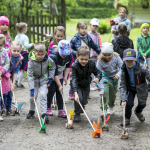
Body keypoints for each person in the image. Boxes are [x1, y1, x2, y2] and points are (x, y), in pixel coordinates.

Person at [70, 21, 101, 99]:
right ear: (78, 29)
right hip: (78, 59)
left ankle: (85, 92)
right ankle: (72, 91)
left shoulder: (88, 37)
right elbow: (70, 49)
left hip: (86, 59)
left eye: (85, 28)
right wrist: (76, 53)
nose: (83, 30)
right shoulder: (75, 38)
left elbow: (94, 45)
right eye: (81, 28)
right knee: (75, 76)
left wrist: (100, 52)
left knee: (86, 75)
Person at [26, 42, 56, 123]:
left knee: (43, 95)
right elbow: (30, 76)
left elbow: (52, 67)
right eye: (38, 54)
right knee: (32, 97)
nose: (40, 56)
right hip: (34, 81)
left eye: (42, 54)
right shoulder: (31, 62)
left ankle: (44, 114)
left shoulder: (48, 59)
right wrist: (32, 88)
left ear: (45, 53)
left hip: (43, 80)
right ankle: (32, 110)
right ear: (34, 53)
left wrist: (50, 78)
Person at [71, 46, 102, 122]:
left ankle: (81, 106)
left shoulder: (91, 63)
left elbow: (98, 72)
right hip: (77, 85)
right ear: (77, 57)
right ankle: (77, 114)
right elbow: (74, 79)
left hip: (86, 85)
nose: (84, 61)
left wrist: (97, 78)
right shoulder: (74, 66)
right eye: (82, 59)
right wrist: (75, 92)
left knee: (84, 101)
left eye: (86, 59)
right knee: (79, 99)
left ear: (89, 57)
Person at [120, 49, 150, 126]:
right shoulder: (123, 69)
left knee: (143, 103)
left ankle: (138, 111)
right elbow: (122, 85)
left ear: (135, 59)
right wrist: (123, 99)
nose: (129, 63)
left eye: (131, 61)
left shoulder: (142, 68)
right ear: (124, 60)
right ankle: (127, 118)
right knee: (128, 104)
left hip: (141, 87)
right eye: (127, 61)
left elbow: (149, 76)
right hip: (130, 88)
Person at [47, 40, 72, 117]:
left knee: (60, 92)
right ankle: (47, 108)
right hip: (51, 75)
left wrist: (65, 77)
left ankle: (60, 110)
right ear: (58, 50)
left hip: (60, 74)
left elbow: (68, 66)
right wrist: (59, 85)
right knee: (51, 91)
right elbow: (54, 73)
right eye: (62, 53)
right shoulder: (53, 57)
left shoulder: (69, 55)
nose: (64, 55)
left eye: (66, 53)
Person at [97, 42, 123, 117]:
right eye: (105, 55)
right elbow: (98, 72)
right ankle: (104, 110)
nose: (107, 57)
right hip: (105, 76)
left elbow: (122, 67)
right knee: (104, 92)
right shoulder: (100, 60)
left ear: (112, 53)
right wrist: (98, 81)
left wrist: (118, 75)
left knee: (112, 94)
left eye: (109, 55)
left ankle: (111, 107)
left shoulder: (116, 57)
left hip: (114, 77)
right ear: (102, 54)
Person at [4, 41, 22, 115]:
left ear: (20, 50)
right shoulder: (7, 56)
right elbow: (6, 71)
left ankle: (8, 108)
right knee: (5, 92)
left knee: (10, 92)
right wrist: (10, 83)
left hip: (10, 74)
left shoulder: (19, 58)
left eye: (18, 51)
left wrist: (13, 83)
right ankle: (2, 108)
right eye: (14, 51)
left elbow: (15, 72)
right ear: (10, 49)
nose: (16, 52)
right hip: (3, 74)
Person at [15, 22, 34, 89]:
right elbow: (26, 46)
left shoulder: (17, 36)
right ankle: (19, 84)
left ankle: (16, 80)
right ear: (24, 29)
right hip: (24, 53)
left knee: (18, 68)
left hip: (17, 53)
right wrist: (32, 44)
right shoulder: (25, 37)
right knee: (22, 69)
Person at [88, 18, 102, 91]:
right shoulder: (87, 34)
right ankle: (90, 84)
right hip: (89, 55)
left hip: (95, 55)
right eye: (94, 25)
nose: (95, 27)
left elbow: (99, 44)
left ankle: (94, 83)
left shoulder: (97, 35)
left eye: (96, 26)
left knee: (94, 70)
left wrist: (100, 53)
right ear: (90, 25)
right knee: (89, 71)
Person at [137, 23, 150, 90]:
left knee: (148, 69)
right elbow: (138, 47)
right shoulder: (139, 38)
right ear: (141, 29)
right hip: (140, 57)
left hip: (148, 57)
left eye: (147, 28)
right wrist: (142, 53)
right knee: (141, 70)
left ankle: (148, 83)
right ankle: (141, 83)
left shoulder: (149, 37)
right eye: (144, 28)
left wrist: (146, 53)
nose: (145, 29)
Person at [0, 34, 10, 121]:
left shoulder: (4, 51)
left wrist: (2, 71)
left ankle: (3, 108)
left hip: (2, 76)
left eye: (0, 45)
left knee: (3, 93)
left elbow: (7, 63)